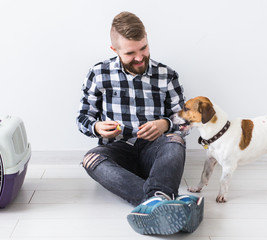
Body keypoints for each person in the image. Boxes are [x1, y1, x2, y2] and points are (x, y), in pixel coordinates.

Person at [77, 11, 203, 235]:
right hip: (118, 151)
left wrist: (165, 124)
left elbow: (184, 121)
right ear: (114, 50)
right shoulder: (98, 74)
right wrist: (96, 127)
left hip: (154, 152)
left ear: (146, 38)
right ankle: (160, 200)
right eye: (130, 53)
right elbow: (83, 118)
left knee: (174, 140)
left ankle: (153, 204)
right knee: (90, 159)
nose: (139, 57)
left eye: (143, 48)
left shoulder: (167, 74)